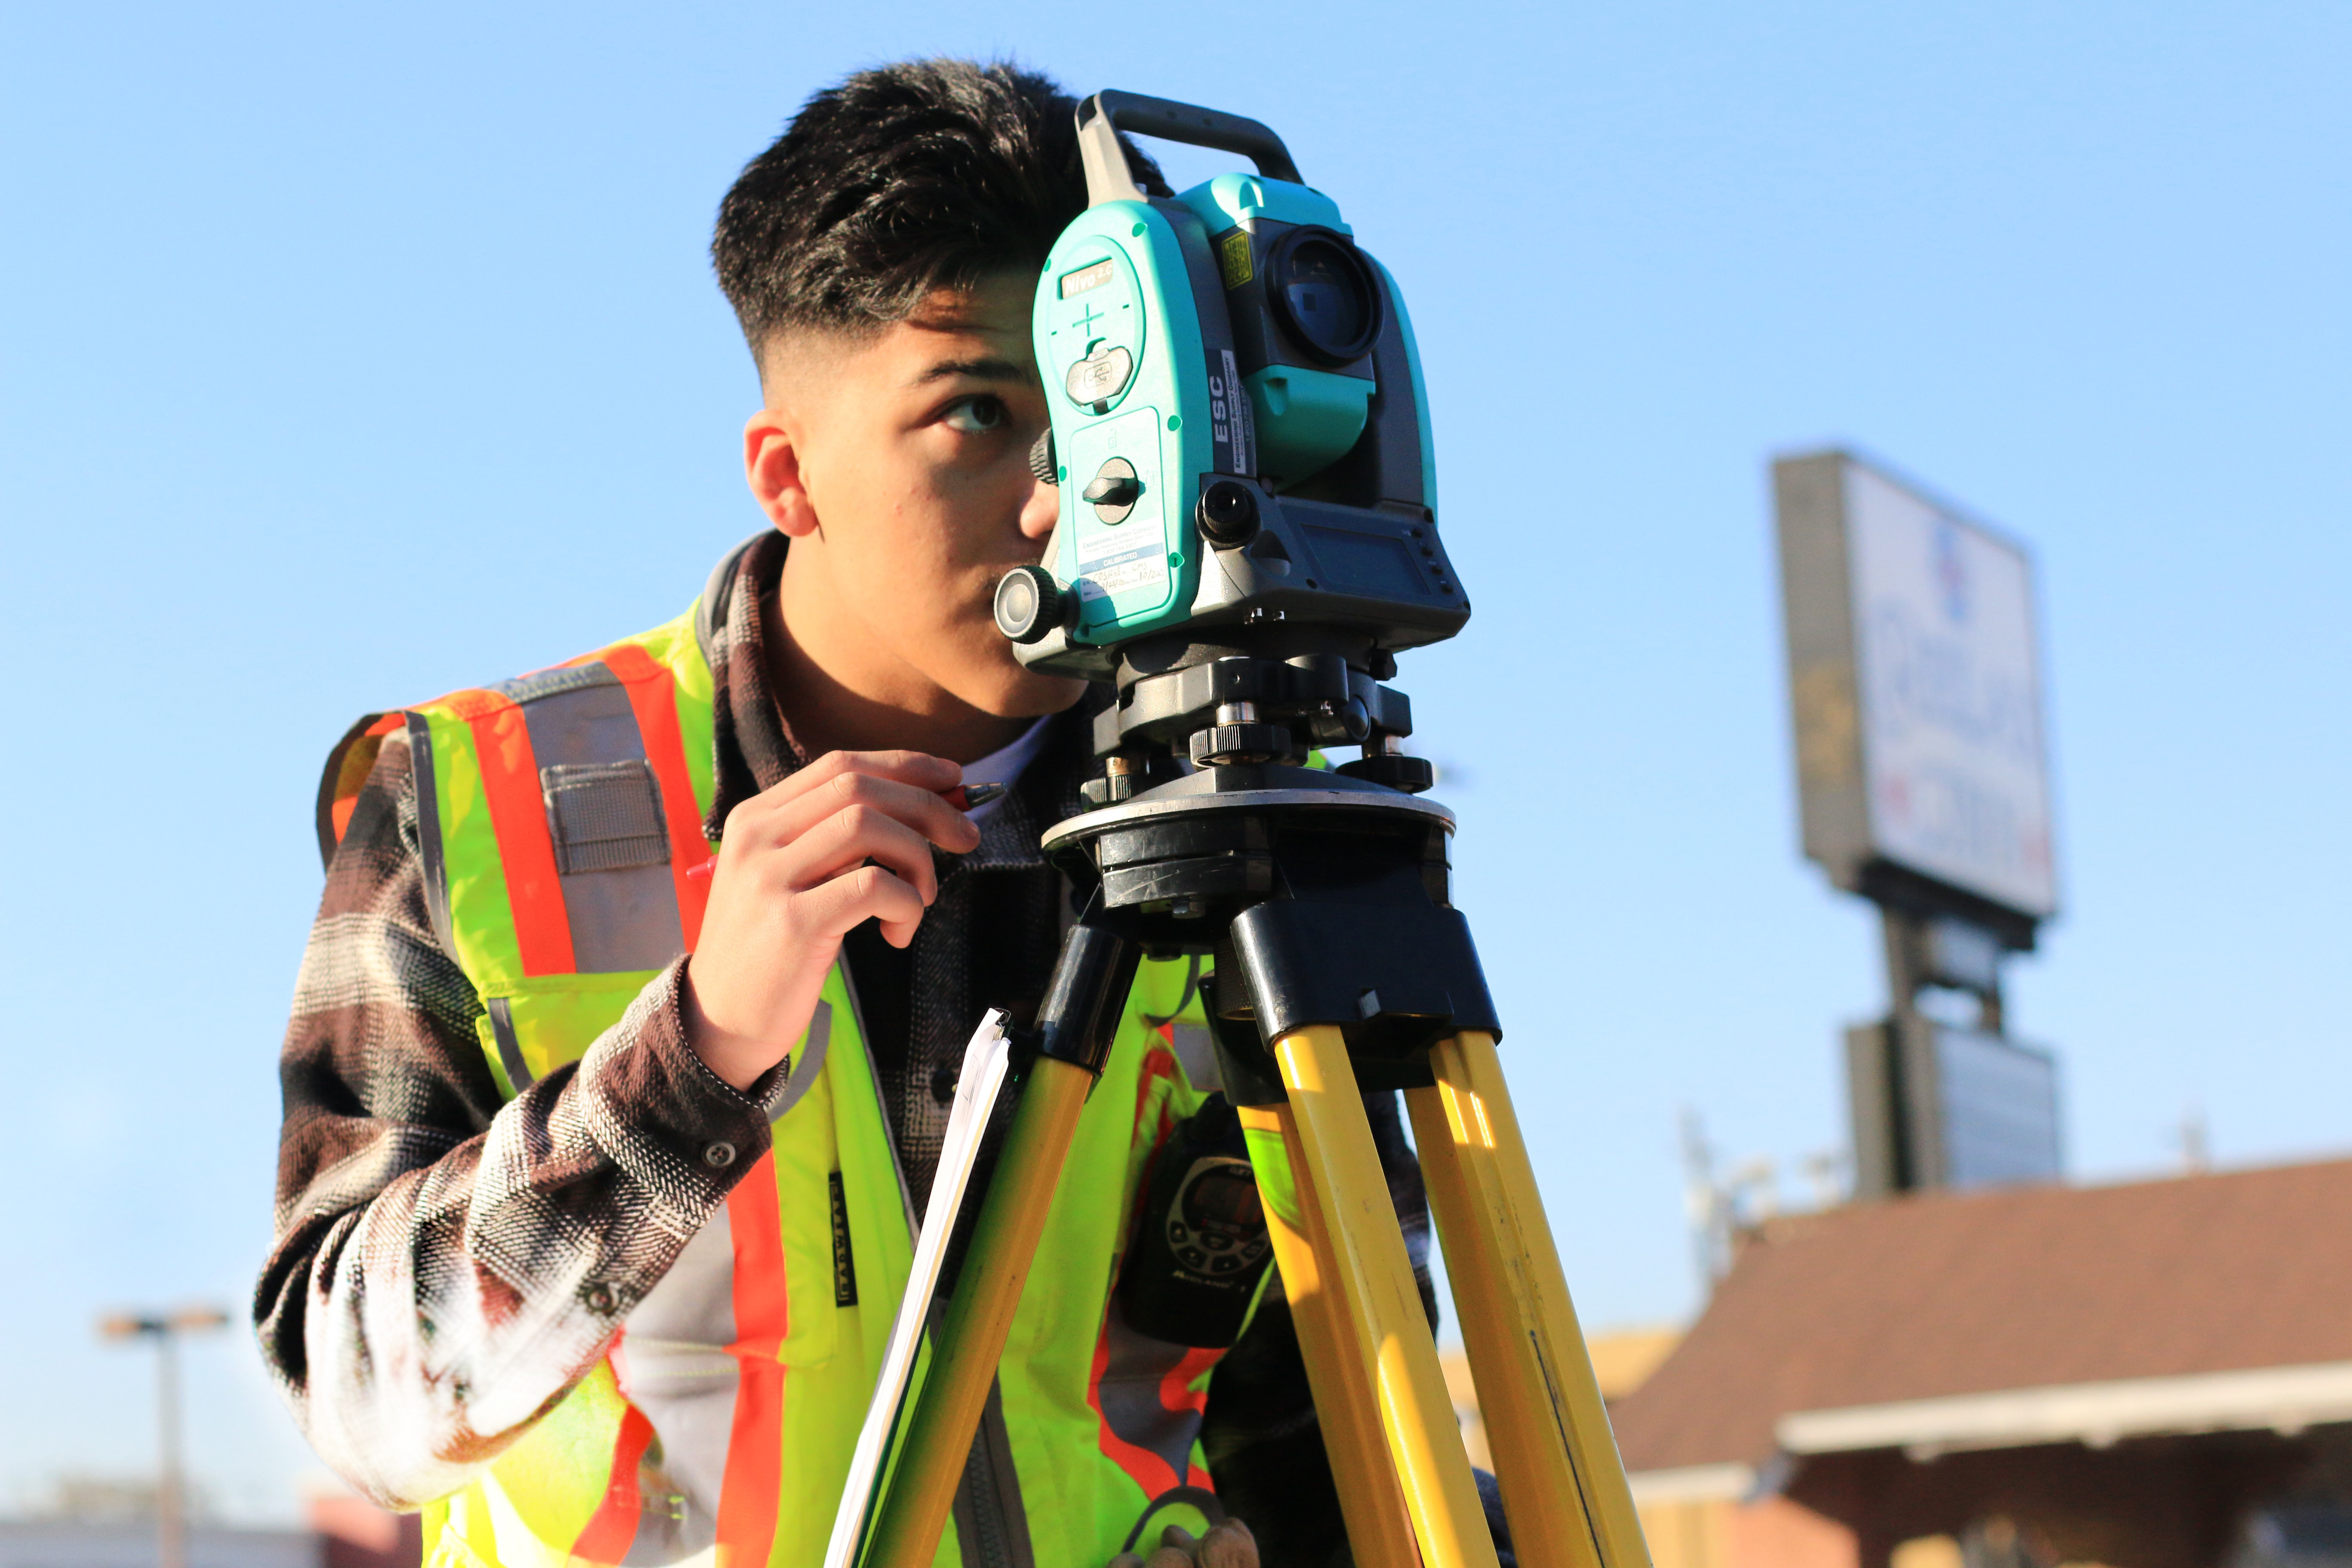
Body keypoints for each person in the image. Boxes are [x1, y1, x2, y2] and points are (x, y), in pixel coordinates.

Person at [257, 58, 1444, 1568]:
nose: (1058, 496)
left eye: (1092, 407)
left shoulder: (1226, 812)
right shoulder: (475, 802)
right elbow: (357, 1402)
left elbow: (1328, 1430)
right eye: (972, 415)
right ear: (788, 474)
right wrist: (693, 1057)